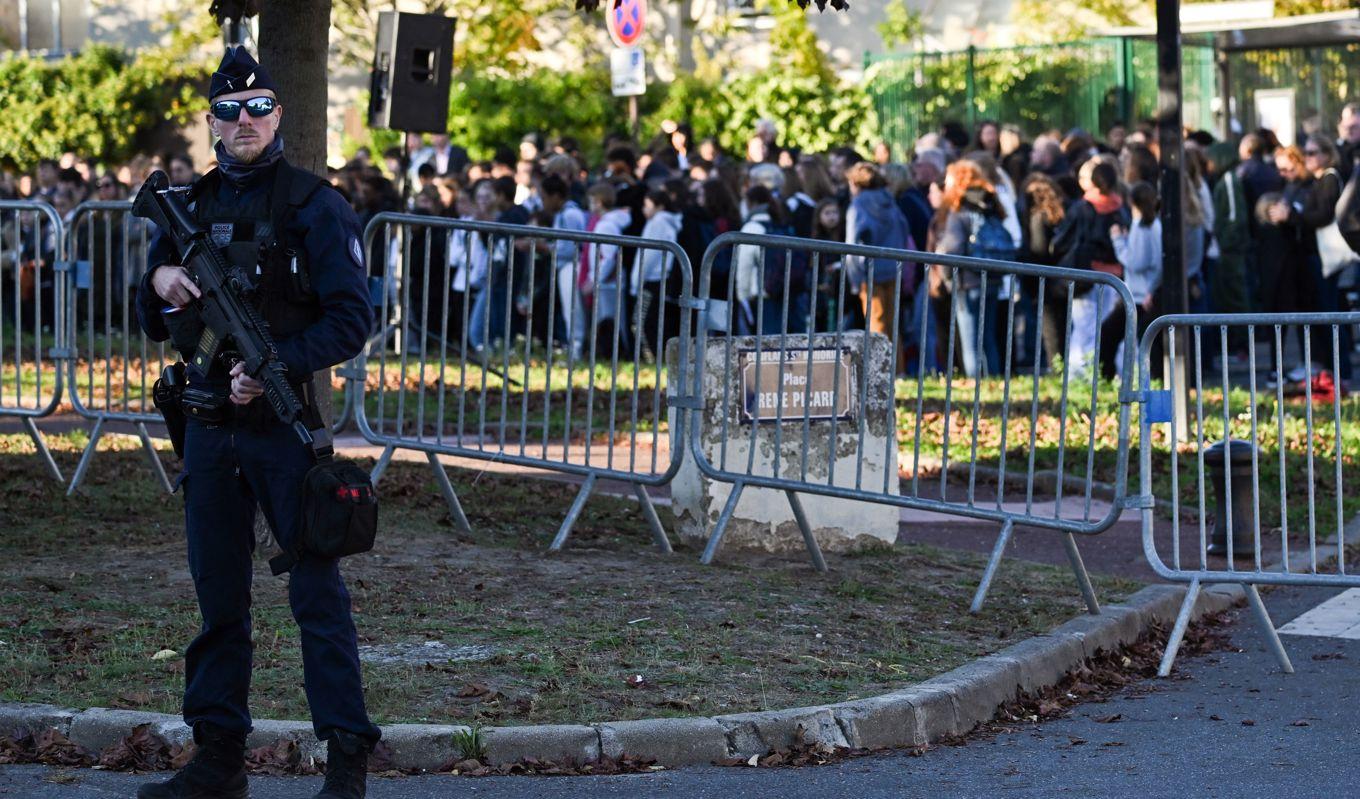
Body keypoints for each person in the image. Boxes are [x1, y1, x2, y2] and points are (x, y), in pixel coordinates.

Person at [133, 47, 380, 799]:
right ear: (212, 123)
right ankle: (218, 757)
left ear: (280, 115)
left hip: (282, 427)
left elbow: (354, 318)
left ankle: (345, 758)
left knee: (316, 596)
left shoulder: (316, 204)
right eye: (231, 111)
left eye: (261, 107)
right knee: (218, 598)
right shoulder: (189, 206)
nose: (247, 121)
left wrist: (274, 362)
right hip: (206, 429)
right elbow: (151, 319)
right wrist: (159, 277)